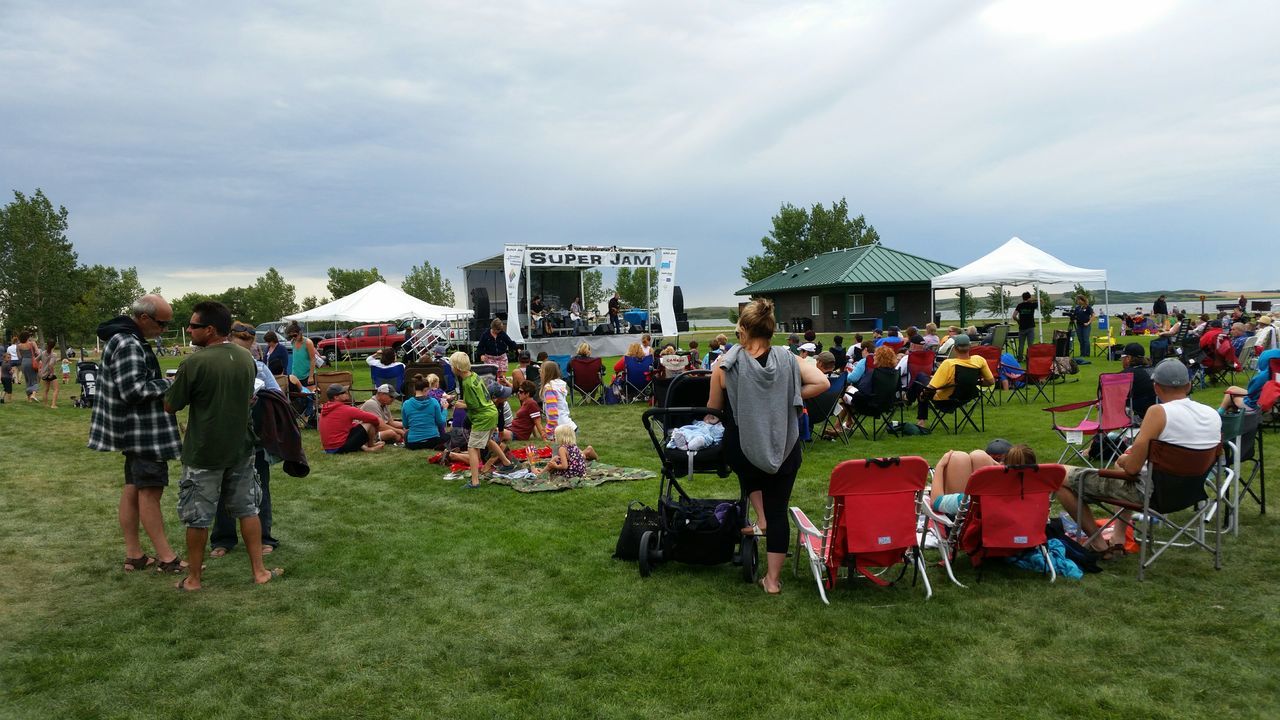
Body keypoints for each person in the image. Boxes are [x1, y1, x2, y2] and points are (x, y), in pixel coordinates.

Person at [706, 297, 830, 595]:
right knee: (779, 512)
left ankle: (759, 516)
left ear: (743, 329)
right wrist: (786, 393)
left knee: (749, 475)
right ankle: (772, 581)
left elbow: (712, 409)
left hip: (744, 448)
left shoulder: (726, 365)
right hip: (784, 445)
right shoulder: (789, 359)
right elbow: (822, 382)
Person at [165, 300, 281, 591]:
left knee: (198, 517)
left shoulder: (194, 363)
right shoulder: (246, 359)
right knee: (248, 509)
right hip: (242, 447)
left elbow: (170, 405)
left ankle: (193, 579)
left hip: (205, 450)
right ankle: (259, 572)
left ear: (210, 329)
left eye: (193, 326)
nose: (189, 330)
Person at [1056, 358, 1222, 557]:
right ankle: (1118, 537)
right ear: (1187, 386)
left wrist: (1124, 459)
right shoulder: (1212, 414)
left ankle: (1099, 545)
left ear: (1156, 387)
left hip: (1151, 494)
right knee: (1127, 469)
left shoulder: (1158, 412)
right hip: (1190, 492)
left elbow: (1132, 468)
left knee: (1058, 476)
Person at [88, 294, 186, 574]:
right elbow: (133, 391)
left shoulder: (123, 338)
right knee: (150, 492)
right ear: (143, 318)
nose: (164, 330)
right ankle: (167, 559)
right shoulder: (129, 343)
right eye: (162, 323)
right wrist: (169, 384)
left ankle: (135, 555)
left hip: (134, 431)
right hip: (144, 433)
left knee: (133, 489)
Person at [209, 322, 283, 559]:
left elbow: (278, 397)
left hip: (254, 438)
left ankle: (264, 538)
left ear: (252, 346)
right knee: (222, 490)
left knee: (259, 489)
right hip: (222, 438)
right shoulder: (215, 365)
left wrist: (259, 395)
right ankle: (223, 539)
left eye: (246, 347)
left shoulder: (261, 369)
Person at [451, 351, 516, 488]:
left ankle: (475, 482)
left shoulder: (466, 383)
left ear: (456, 368)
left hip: (483, 417)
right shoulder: (474, 376)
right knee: (488, 440)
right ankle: (506, 463)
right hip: (491, 412)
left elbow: (473, 405)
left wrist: (459, 404)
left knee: (472, 448)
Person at [915, 334, 994, 427]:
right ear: (970, 347)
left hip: (945, 400)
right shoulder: (979, 361)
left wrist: (922, 394)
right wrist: (972, 383)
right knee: (923, 382)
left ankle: (920, 419)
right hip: (967, 397)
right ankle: (908, 398)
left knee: (920, 379)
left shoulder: (949, 364)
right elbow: (990, 382)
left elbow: (930, 388)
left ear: (955, 348)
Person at [929, 439, 1022, 516]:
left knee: (960, 458)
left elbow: (935, 502)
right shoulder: (1032, 494)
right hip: (1021, 532)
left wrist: (940, 466)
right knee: (979, 456)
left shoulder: (972, 500)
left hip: (975, 533)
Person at [319, 384, 385, 453]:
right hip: (340, 448)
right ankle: (371, 445)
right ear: (336, 397)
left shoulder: (325, 408)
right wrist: (377, 428)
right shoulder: (347, 409)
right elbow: (373, 419)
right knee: (369, 423)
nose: (347, 393)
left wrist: (357, 425)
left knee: (356, 425)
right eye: (343, 392)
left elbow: (341, 426)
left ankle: (366, 447)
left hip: (328, 448)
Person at [401, 374, 448, 450]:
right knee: (449, 436)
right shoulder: (434, 402)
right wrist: (445, 410)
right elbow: (441, 422)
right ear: (426, 389)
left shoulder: (406, 404)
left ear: (414, 389)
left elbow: (405, 425)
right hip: (433, 441)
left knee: (406, 434)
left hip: (413, 443)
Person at [540, 359, 574, 435]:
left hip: (560, 430)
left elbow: (553, 413)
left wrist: (548, 430)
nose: (540, 374)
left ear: (546, 374)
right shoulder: (559, 385)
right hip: (568, 425)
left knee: (558, 447)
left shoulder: (549, 389)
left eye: (541, 372)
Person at [287, 323, 318, 388]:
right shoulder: (293, 341)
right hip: (295, 376)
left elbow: (313, 359)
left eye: (294, 335)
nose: (293, 337)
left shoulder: (308, 342)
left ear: (300, 332)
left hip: (307, 376)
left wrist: (311, 376)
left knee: (310, 396)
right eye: (290, 336)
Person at [1012, 291, 1038, 360]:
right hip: (1030, 327)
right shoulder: (1032, 305)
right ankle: (1029, 358)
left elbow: (1014, 316)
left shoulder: (1020, 305)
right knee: (1030, 344)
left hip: (1022, 327)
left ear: (1022, 298)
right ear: (1029, 297)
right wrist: (1034, 299)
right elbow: (1042, 301)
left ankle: (1020, 358)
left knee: (1021, 345)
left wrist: (1018, 321)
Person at [16, 331, 39, 401]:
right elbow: (37, 352)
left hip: (24, 362)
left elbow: (19, 356)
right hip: (31, 362)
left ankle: (29, 399)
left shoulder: (18, 346)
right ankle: (33, 394)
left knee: (27, 380)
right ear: (27, 337)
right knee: (34, 379)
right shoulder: (32, 343)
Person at [38, 340, 59, 408]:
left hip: (43, 374)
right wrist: (52, 373)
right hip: (50, 374)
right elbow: (50, 365)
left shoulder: (43, 353)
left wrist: (40, 369)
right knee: (56, 389)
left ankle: (45, 404)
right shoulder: (54, 355)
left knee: (46, 389)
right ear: (54, 346)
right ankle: (53, 405)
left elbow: (36, 360)